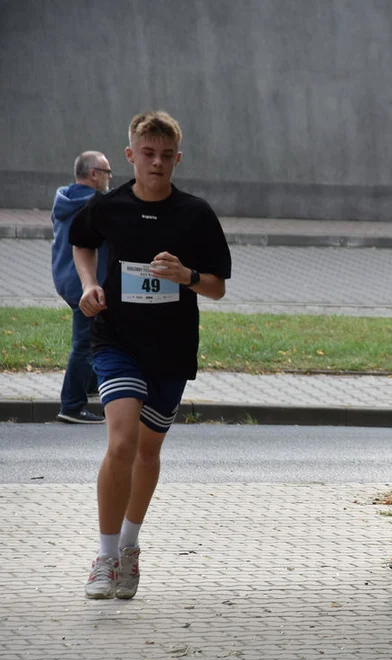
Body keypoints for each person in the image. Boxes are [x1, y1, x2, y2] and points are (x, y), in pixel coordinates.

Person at [70, 110, 232, 600]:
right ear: (130, 156)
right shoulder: (109, 207)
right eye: (147, 154)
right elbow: (81, 242)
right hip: (116, 340)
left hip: (171, 348)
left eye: (166, 156)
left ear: (177, 159)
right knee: (120, 442)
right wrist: (90, 283)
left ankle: (129, 547)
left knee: (147, 451)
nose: (156, 163)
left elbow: (218, 287)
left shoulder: (195, 214)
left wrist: (185, 276)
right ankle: (103, 557)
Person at [51, 151, 112, 423]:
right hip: (84, 282)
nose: (110, 178)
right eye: (107, 172)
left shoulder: (64, 198)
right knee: (84, 344)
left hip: (65, 278)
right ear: (94, 174)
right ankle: (72, 405)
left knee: (94, 337)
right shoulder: (96, 206)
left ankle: (90, 386)